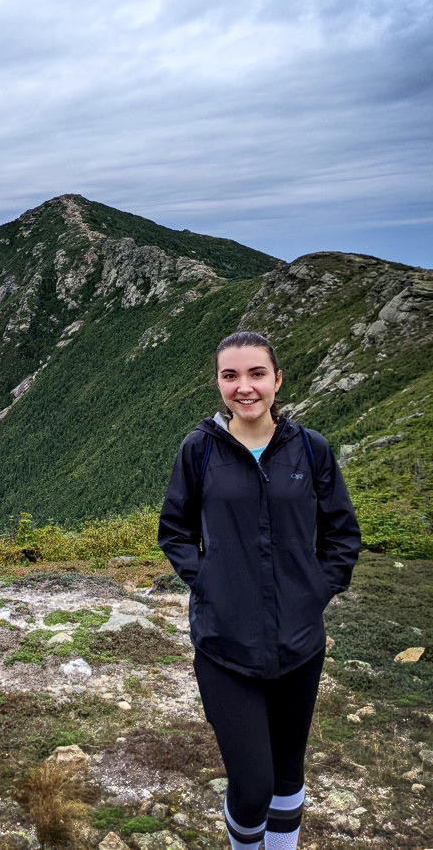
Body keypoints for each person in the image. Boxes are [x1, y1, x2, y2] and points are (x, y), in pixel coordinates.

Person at [157, 331, 360, 850]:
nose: (244, 387)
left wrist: (319, 589)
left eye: (256, 374)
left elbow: (341, 532)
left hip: (299, 643)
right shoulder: (199, 449)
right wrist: (208, 582)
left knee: (289, 775)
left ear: (277, 380)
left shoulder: (310, 449)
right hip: (225, 644)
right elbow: (175, 530)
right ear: (218, 383)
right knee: (253, 786)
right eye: (231, 376)